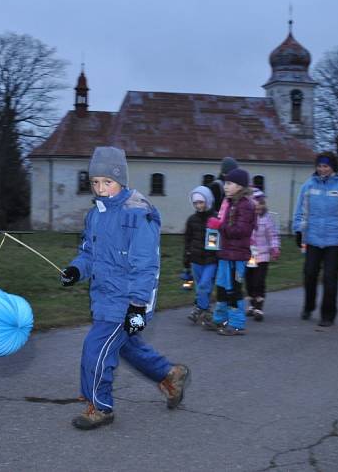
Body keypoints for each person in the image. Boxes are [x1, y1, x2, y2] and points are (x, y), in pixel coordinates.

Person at [60, 146, 189, 430]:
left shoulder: (137, 214)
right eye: (95, 182)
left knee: (96, 348)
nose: (101, 189)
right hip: (105, 296)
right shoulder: (95, 215)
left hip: (130, 300)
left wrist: (137, 306)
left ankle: (100, 407)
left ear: (122, 180)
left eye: (108, 182)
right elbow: (89, 254)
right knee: (126, 346)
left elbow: (146, 266)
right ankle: (169, 374)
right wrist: (75, 270)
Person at [292, 152, 338, 327]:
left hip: (334, 241)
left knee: (330, 278)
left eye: (326, 166)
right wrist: (298, 230)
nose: (322, 169)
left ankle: (328, 314)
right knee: (310, 274)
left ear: (333, 167)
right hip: (313, 238)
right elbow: (300, 209)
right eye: (320, 166)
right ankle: (309, 305)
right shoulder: (308, 186)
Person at [202, 168, 256, 335]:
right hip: (226, 254)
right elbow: (227, 228)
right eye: (225, 183)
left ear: (240, 186)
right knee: (223, 287)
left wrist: (220, 226)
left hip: (237, 256)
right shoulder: (231, 203)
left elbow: (241, 230)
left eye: (229, 183)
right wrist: (215, 225)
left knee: (234, 289)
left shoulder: (245, 205)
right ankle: (220, 319)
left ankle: (237, 323)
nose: (225, 187)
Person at [183, 185, 219, 324]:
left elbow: (220, 239)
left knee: (204, 285)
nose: (198, 205)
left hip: (211, 260)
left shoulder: (216, 218)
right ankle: (205, 310)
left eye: (201, 202)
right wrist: (186, 259)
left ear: (208, 201)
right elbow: (187, 241)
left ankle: (200, 308)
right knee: (200, 287)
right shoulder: (192, 220)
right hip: (196, 259)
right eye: (195, 203)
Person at [245, 189, 281, 321]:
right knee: (249, 281)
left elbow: (272, 235)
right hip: (249, 255)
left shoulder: (267, 220)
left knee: (259, 281)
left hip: (263, 255)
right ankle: (252, 304)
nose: (258, 212)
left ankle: (259, 307)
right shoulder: (246, 219)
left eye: (260, 209)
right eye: (256, 209)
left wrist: (275, 248)